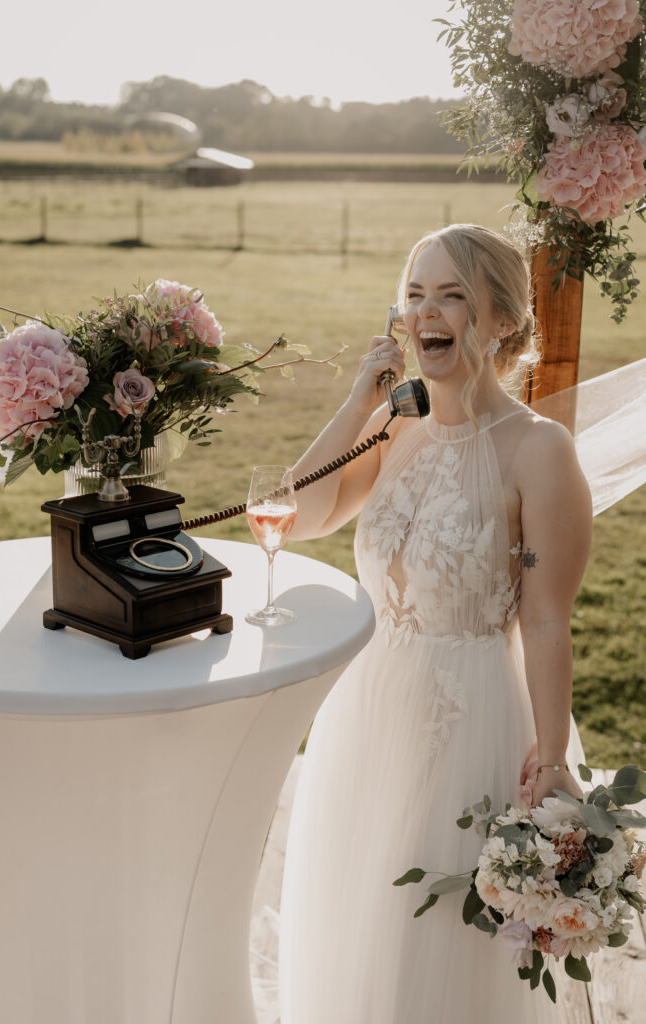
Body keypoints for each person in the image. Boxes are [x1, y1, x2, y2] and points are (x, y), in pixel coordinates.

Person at [278, 223, 592, 1023]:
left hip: (471, 715)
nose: (427, 312)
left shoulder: (538, 450)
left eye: (452, 295)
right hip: (368, 708)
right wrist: (357, 403)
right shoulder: (392, 424)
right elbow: (301, 513)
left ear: (500, 322)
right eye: (415, 294)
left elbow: (548, 618)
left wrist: (552, 761)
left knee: (437, 940)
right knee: (364, 912)